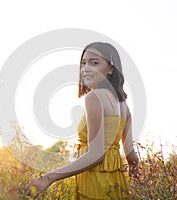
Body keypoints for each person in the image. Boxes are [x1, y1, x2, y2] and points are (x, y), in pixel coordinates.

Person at [25, 42, 139, 199]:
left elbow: (96, 154)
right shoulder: (124, 106)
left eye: (94, 63)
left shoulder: (95, 97)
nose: (86, 68)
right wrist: (136, 173)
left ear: (111, 69)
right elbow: (131, 154)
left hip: (95, 182)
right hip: (117, 183)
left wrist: (48, 178)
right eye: (83, 63)